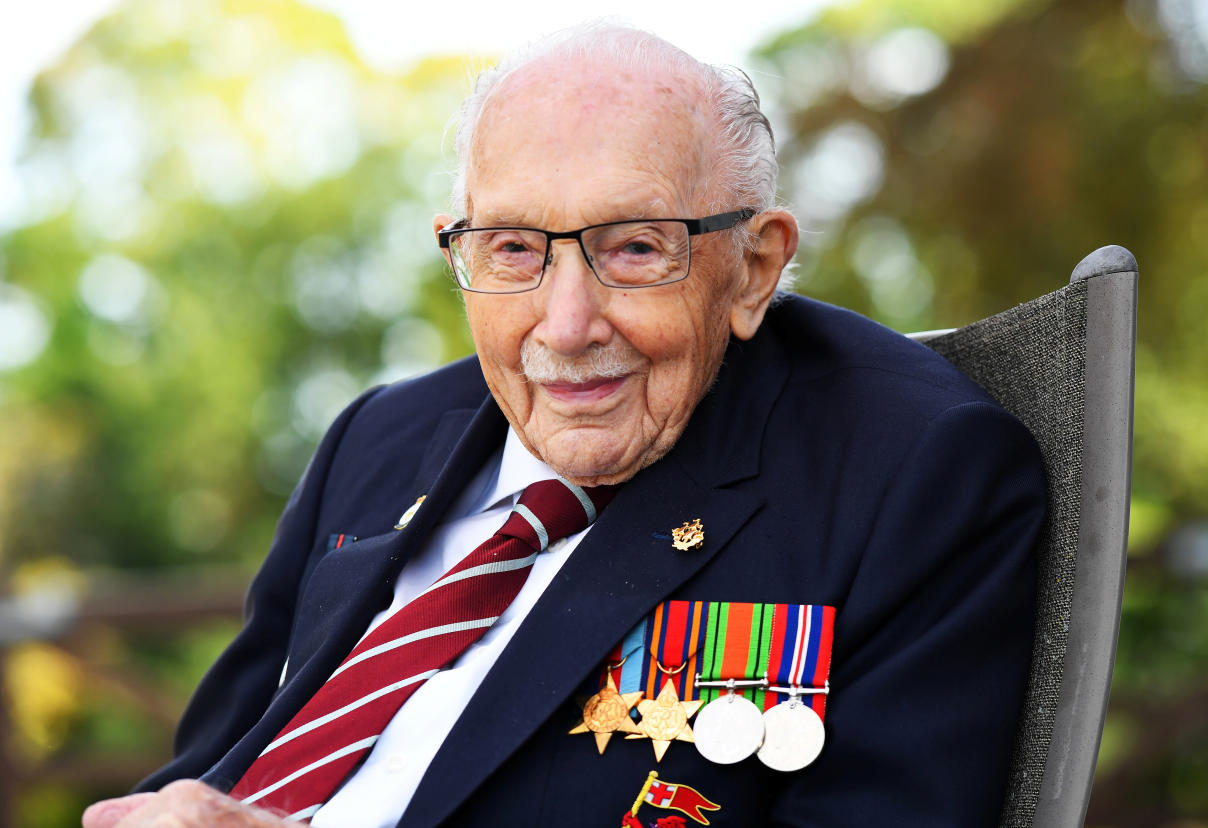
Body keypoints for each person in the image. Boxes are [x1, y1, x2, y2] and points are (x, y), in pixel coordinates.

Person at [82, 23, 1045, 828]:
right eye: (512, 249)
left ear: (754, 267)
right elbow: (206, 778)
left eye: (634, 248)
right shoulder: (375, 440)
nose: (568, 324)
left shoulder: (914, 473)